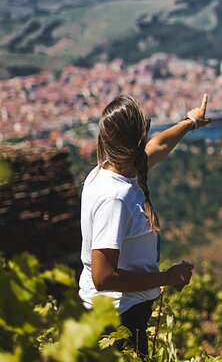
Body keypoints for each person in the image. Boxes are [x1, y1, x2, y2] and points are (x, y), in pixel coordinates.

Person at [79, 93, 211, 356]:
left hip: (119, 315)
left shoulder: (111, 170)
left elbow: (159, 145)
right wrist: (166, 278)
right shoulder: (114, 198)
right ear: (137, 139)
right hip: (116, 322)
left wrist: (190, 121)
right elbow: (103, 277)